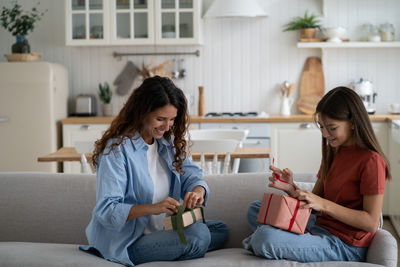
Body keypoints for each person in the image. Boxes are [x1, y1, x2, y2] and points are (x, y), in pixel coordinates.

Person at [80, 76, 229, 266]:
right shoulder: (117, 151)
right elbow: (107, 211)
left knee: (221, 229)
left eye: (172, 120)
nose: (167, 127)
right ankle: (182, 248)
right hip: (129, 240)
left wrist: (198, 190)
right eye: (160, 119)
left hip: (163, 230)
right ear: (141, 112)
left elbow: (193, 175)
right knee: (198, 234)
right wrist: (154, 208)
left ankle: (177, 248)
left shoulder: (166, 144)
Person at [243, 86, 391, 262]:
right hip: (318, 225)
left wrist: (324, 205)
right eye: (321, 126)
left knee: (264, 237)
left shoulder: (371, 161)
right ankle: (281, 240)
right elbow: (315, 203)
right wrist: (291, 187)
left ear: (352, 122)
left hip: (344, 244)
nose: (325, 133)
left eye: (332, 127)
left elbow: (371, 222)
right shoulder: (332, 151)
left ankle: (264, 241)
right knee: (256, 209)